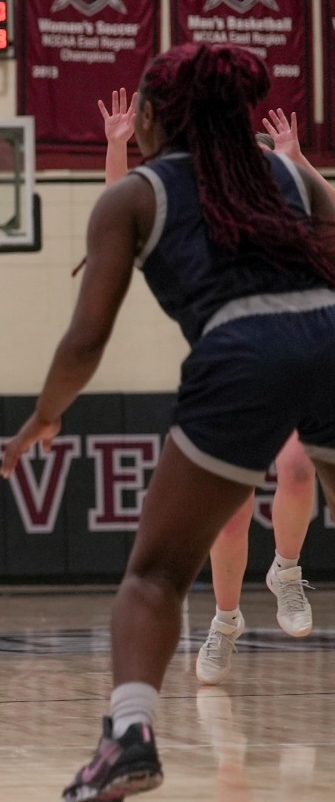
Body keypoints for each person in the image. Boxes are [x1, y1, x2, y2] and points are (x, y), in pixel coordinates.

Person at [4, 43, 335, 802]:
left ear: (152, 116)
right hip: (328, 334)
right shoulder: (285, 173)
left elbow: (87, 337)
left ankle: (128, 738)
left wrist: (45, 414)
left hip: (244, 352)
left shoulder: (133, 198)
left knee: (154, 573)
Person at [102, 94, 319, 683]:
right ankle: (225, 622)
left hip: (296, 356)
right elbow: (122, 211)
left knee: (298, 469)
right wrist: (117, 146)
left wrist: (299, 160)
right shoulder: (194, 218)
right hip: (231, 372)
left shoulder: (285, 204)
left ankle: (288, 571)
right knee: (228, 517)